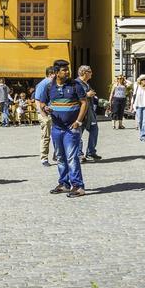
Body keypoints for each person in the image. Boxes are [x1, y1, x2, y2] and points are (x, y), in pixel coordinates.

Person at [42, 61, 88, 197]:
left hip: (71, 128)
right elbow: (42, 102)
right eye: (64, 70)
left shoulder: (75, 85)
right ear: (56, 73)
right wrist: (45, 108)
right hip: (57, 127)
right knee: (60, 157)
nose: (67, 72)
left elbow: (84, 102)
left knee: (72, 157)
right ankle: (64, 184)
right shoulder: (50, 87)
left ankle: (78, 186)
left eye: (67, 70)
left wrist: (78, 121)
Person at [34, 64, 59, 167]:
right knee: (46, 137)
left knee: (57, 135)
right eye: (56, 74)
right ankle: (44, 158)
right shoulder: (43, 84)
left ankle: (56, 155)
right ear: (50, 74)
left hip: (53, 113)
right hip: (45, 114)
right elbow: (37, 101)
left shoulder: (54, 84)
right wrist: (44, 116)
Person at [76, 66, 101, 161]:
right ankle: (79, 154)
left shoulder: (87, 84)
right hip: (81, 112)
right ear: (84, 72)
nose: (92, 73)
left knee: (94, 130)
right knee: (78, 133)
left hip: (90, 112)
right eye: (90, 72)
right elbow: (74, 97)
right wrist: (87, 95)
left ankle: (91, 152)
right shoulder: (76, 83)